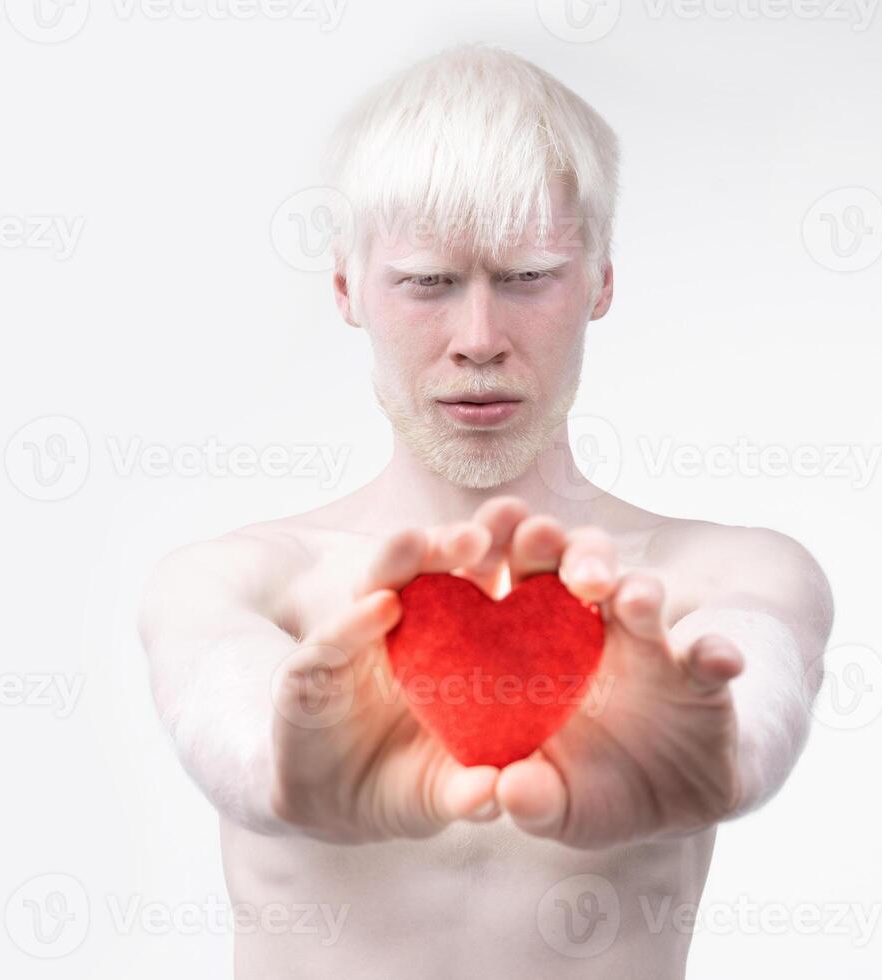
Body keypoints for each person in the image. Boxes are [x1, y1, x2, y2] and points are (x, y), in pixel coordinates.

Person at [139, 42, 833, 979]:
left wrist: (723, 757)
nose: (477, 340)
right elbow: (228, 716)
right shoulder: (235, 580)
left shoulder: (724, 574)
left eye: (526, 277)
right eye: (427, 282)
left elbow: (757, 694)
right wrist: (293, 764)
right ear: (347, 288)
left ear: (601, 281)